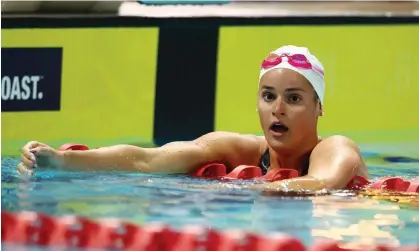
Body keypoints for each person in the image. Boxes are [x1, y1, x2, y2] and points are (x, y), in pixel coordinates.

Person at [18, 45, 369, 192]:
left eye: (294, 98)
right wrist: (61, 160)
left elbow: (321, 184)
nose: (278, 108)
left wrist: (246, 190)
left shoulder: (337, 148)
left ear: (318, 106)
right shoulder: (235, 148)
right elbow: (146, 159)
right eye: (269, 96)